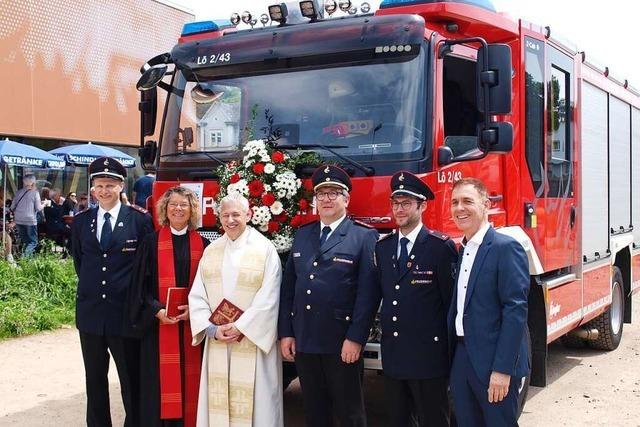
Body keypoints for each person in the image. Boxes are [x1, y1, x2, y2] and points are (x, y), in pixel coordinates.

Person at [278, 164, 378, 427]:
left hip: (341, 342)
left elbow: (367, 295)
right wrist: (287, 332)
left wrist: (356, 339)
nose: (326, 199)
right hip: (306, 340)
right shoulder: (303, 235)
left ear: (347, 199)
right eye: (321, 194)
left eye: (334, 193)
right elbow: (289, 289)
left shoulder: (363, 237)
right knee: (314, 411)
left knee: (349, 412)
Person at [71, 156, 154, 427]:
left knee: (131, 381)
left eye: (110, 185)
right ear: (92, 188)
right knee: (94, 381)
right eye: (99, 185)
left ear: (121, 186)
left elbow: (145, 269)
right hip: (92, 314)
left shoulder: (139, 221)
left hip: (125, 314)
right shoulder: (82, 221)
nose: (104, 191)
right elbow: (80, 262)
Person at [189, 193, 284, 427]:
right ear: (218, 218)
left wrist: (240, 326)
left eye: (236, 214)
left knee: (258, 405)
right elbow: (197, 294)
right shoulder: (211, 251)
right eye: (225, 215)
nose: (230, 220)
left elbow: (269, 298)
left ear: (248, 215)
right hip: (219, 340)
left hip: (252, 341)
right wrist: (211, 329)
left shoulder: (264, 250)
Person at [373, 171, 458, 427]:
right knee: (398, 420)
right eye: (395, 203)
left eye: (406, 203)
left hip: (428, 358)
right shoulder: (384, 247)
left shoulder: (439, 247)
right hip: (395, 356)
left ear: (422, 206)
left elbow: (449, 306)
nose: (399, 209)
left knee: (434, 419)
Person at [447, 178, 530, 427]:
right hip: (462, 357)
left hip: (494, 360)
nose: (459, 208)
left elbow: (515, 311)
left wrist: (503, 370)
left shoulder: (506, 248)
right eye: (454, 202)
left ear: (486, 205)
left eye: (467, 201)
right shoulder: (463, 250)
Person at [128, 186, 209, 427]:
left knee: (189, 381)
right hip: (158, 326)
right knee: (159, 384)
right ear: (164, 208)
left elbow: (209, 287)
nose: (178, 209)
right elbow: (139, 284)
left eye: (184, 205)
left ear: (192, 210)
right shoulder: (151, 242)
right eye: (172, 204)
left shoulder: (203, 244)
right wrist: (156, 310)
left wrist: (193, 311)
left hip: (192, 326)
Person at [10, 174, 43, 256]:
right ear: (33, 182)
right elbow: (39, 208)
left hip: (18, 220)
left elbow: (12, 206)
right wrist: (45, 204)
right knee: (33, 242)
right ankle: (24, 259)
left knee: (26, 241)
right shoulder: (35, 193)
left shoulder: (19, 192)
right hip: (30, 220)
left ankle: (28, 262)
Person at [43, 188, 72, 252]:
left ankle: (65, 249)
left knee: (70, 231)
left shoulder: (53, 203)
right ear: (55, 196)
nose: (60, 197)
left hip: (55, 225)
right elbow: (57, 213)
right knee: (72, 232)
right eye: (59, 195)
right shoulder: (49, 202)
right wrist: (61, 205)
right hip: (54, 226)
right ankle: (69, 251)